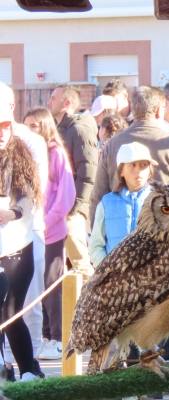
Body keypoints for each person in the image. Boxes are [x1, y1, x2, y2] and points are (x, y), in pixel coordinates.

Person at [91, 86, 169, 222]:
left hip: (122, 232)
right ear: (158, 111)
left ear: (134, 110)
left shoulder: (112, 145)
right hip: (168, 231)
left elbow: (98, 195)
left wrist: (98, 236)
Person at [23, 108, 75, 360]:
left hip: (51, 232)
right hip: (30, 231)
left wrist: (46, 221)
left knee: (52, 286)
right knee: (36, 286)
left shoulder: (56, 153)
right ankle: (44, 335)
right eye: (27, 126)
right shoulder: (28, 155)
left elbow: (66, 196)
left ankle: (57, 337)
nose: (29, 130)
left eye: (34, 125)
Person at [0, 110, 45, 381]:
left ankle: (29, 368)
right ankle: (6, 369)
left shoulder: (23, 153)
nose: (1, 132)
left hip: (18, 245)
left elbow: (29, 200)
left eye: (5, 126)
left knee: (10, 311)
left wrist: (12, 213)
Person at [47, 84, 98, 276]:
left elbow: (88, 172)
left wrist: (75, 208)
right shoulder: (59, 128)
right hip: (60, 206)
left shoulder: (78, 129)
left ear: (66, 102)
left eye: (53, 97)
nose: (49, 101)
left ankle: (93, 303)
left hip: (73, 209)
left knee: (80, 262)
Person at [90, 142, 155, 267]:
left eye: (144, 165)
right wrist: (107, 271)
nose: (138, 171)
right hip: (115, 282)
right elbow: (96, 245)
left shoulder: (160, 203)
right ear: (121, 171)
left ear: (150, 170)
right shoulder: (107, 203)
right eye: (132, 165)